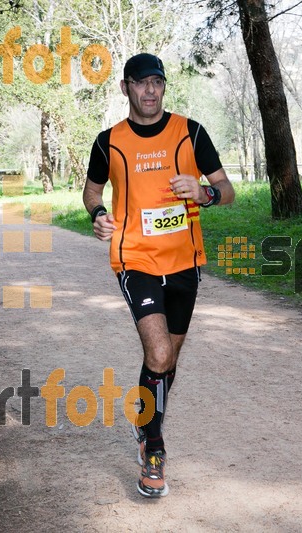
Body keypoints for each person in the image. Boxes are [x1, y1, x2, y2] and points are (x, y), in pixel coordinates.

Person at [82, 53, 234, 498]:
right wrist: (98, 214)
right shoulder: (108, 142)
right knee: (160, 352)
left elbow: (227, 191)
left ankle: (145, 419)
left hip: (185, 261)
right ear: (125, 87)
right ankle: (154, 447)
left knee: (168, 363)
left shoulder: (190, 131)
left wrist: (204, 192)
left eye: (157, 83)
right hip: (136, 259)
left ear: (164, 87)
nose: (150, 91)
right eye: (141, 83)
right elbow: (92, 191)